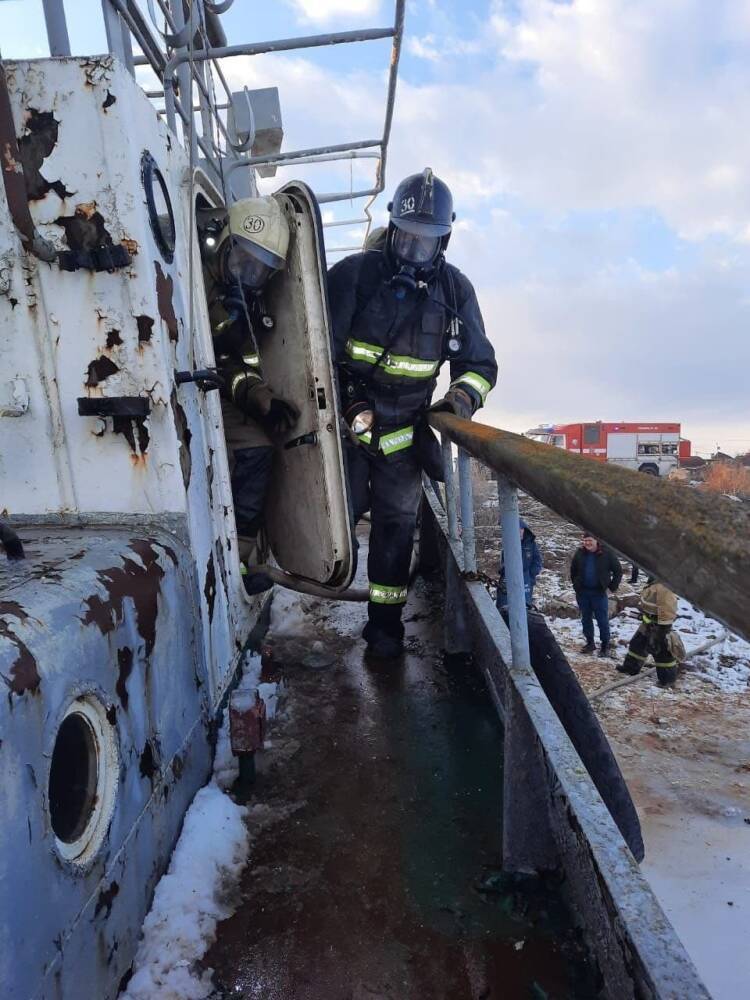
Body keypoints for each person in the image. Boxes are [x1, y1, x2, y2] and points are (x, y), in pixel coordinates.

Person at [328, 167, 498, 658]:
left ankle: (385, 630)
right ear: (392, 231)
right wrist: (351, 403)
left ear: (443, 243)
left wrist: (458, 402)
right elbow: (317, 356)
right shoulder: (354, 277)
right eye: (406, 239)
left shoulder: (455, 292)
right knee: (337, 518)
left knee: (395, 532)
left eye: (426, 243)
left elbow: (480, 365)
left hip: (405, 438)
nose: (414, 252)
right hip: (347, 430)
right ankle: (319, 582)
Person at [201, 196, 300, 593]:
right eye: (245, 261)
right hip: (181, 393)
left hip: (216, 391)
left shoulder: (241, 301)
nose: (249, 274)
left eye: (261, 270)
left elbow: (236, 367)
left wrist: (262, 397)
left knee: (259, 449)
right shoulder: (192, 281)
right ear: (225, 243)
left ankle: (240, 558)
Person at [619, 578, 680, 686]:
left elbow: (667, 609)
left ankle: (667, 680)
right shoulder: (654, 582)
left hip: (660, 626)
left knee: (662, 652)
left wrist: (662, 631)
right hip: (648, 622)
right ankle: (630, 668)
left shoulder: (664, 589)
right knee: (637, 645)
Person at [570, 532, 622, 657]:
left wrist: (611, 587)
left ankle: (604, 646)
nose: (587, 543)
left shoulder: (607, 553)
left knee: (602, 620)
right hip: (583, 593)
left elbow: (618, 571)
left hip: (599, 593)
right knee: (586, 619)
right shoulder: (580, 553)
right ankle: (590, 643)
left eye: (590, 540)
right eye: (585, 540)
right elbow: (573, 570)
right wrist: (576, 584)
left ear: (596, 541)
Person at [495, 519, 542, 610]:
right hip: (508, 578)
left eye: (521, 529)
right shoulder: (508, 543)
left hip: (526, 581)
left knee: (524, 607)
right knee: (504, 606)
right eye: (517, 530)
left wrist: (530, 575)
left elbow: (537, 561)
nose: (520, 532)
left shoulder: (531, 544)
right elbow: (503, 561)